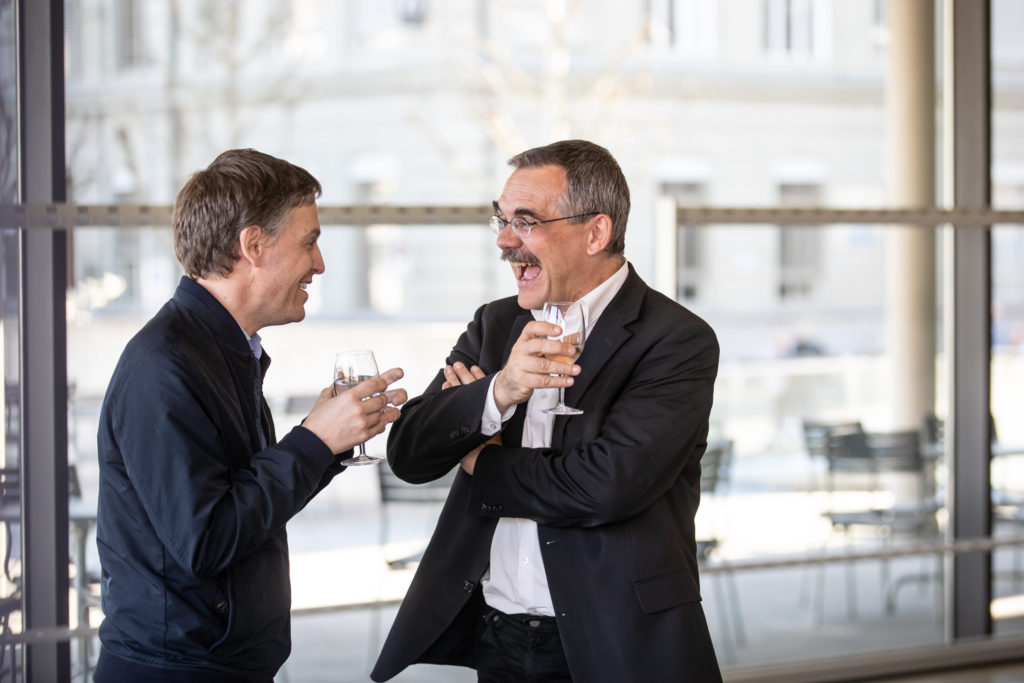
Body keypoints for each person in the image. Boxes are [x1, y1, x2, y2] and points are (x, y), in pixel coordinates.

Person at [371, 139, 722, 682]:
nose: (506, 241)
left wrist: (480, 461)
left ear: (596, 232)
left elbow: (606, 485)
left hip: (618, 638)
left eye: (527, 221)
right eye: (502, 220)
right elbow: (411, 453)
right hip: (499, 639)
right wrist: (499, 392)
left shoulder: (676, 340)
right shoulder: (494, 325)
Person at [94, 148, 406, 683]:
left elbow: (245, 506)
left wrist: (326, 444)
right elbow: (206, 539)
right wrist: (311, 441)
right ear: (253, 246)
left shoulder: (223, 351)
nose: (320, 263)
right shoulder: (164, 367)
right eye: (309, 242)